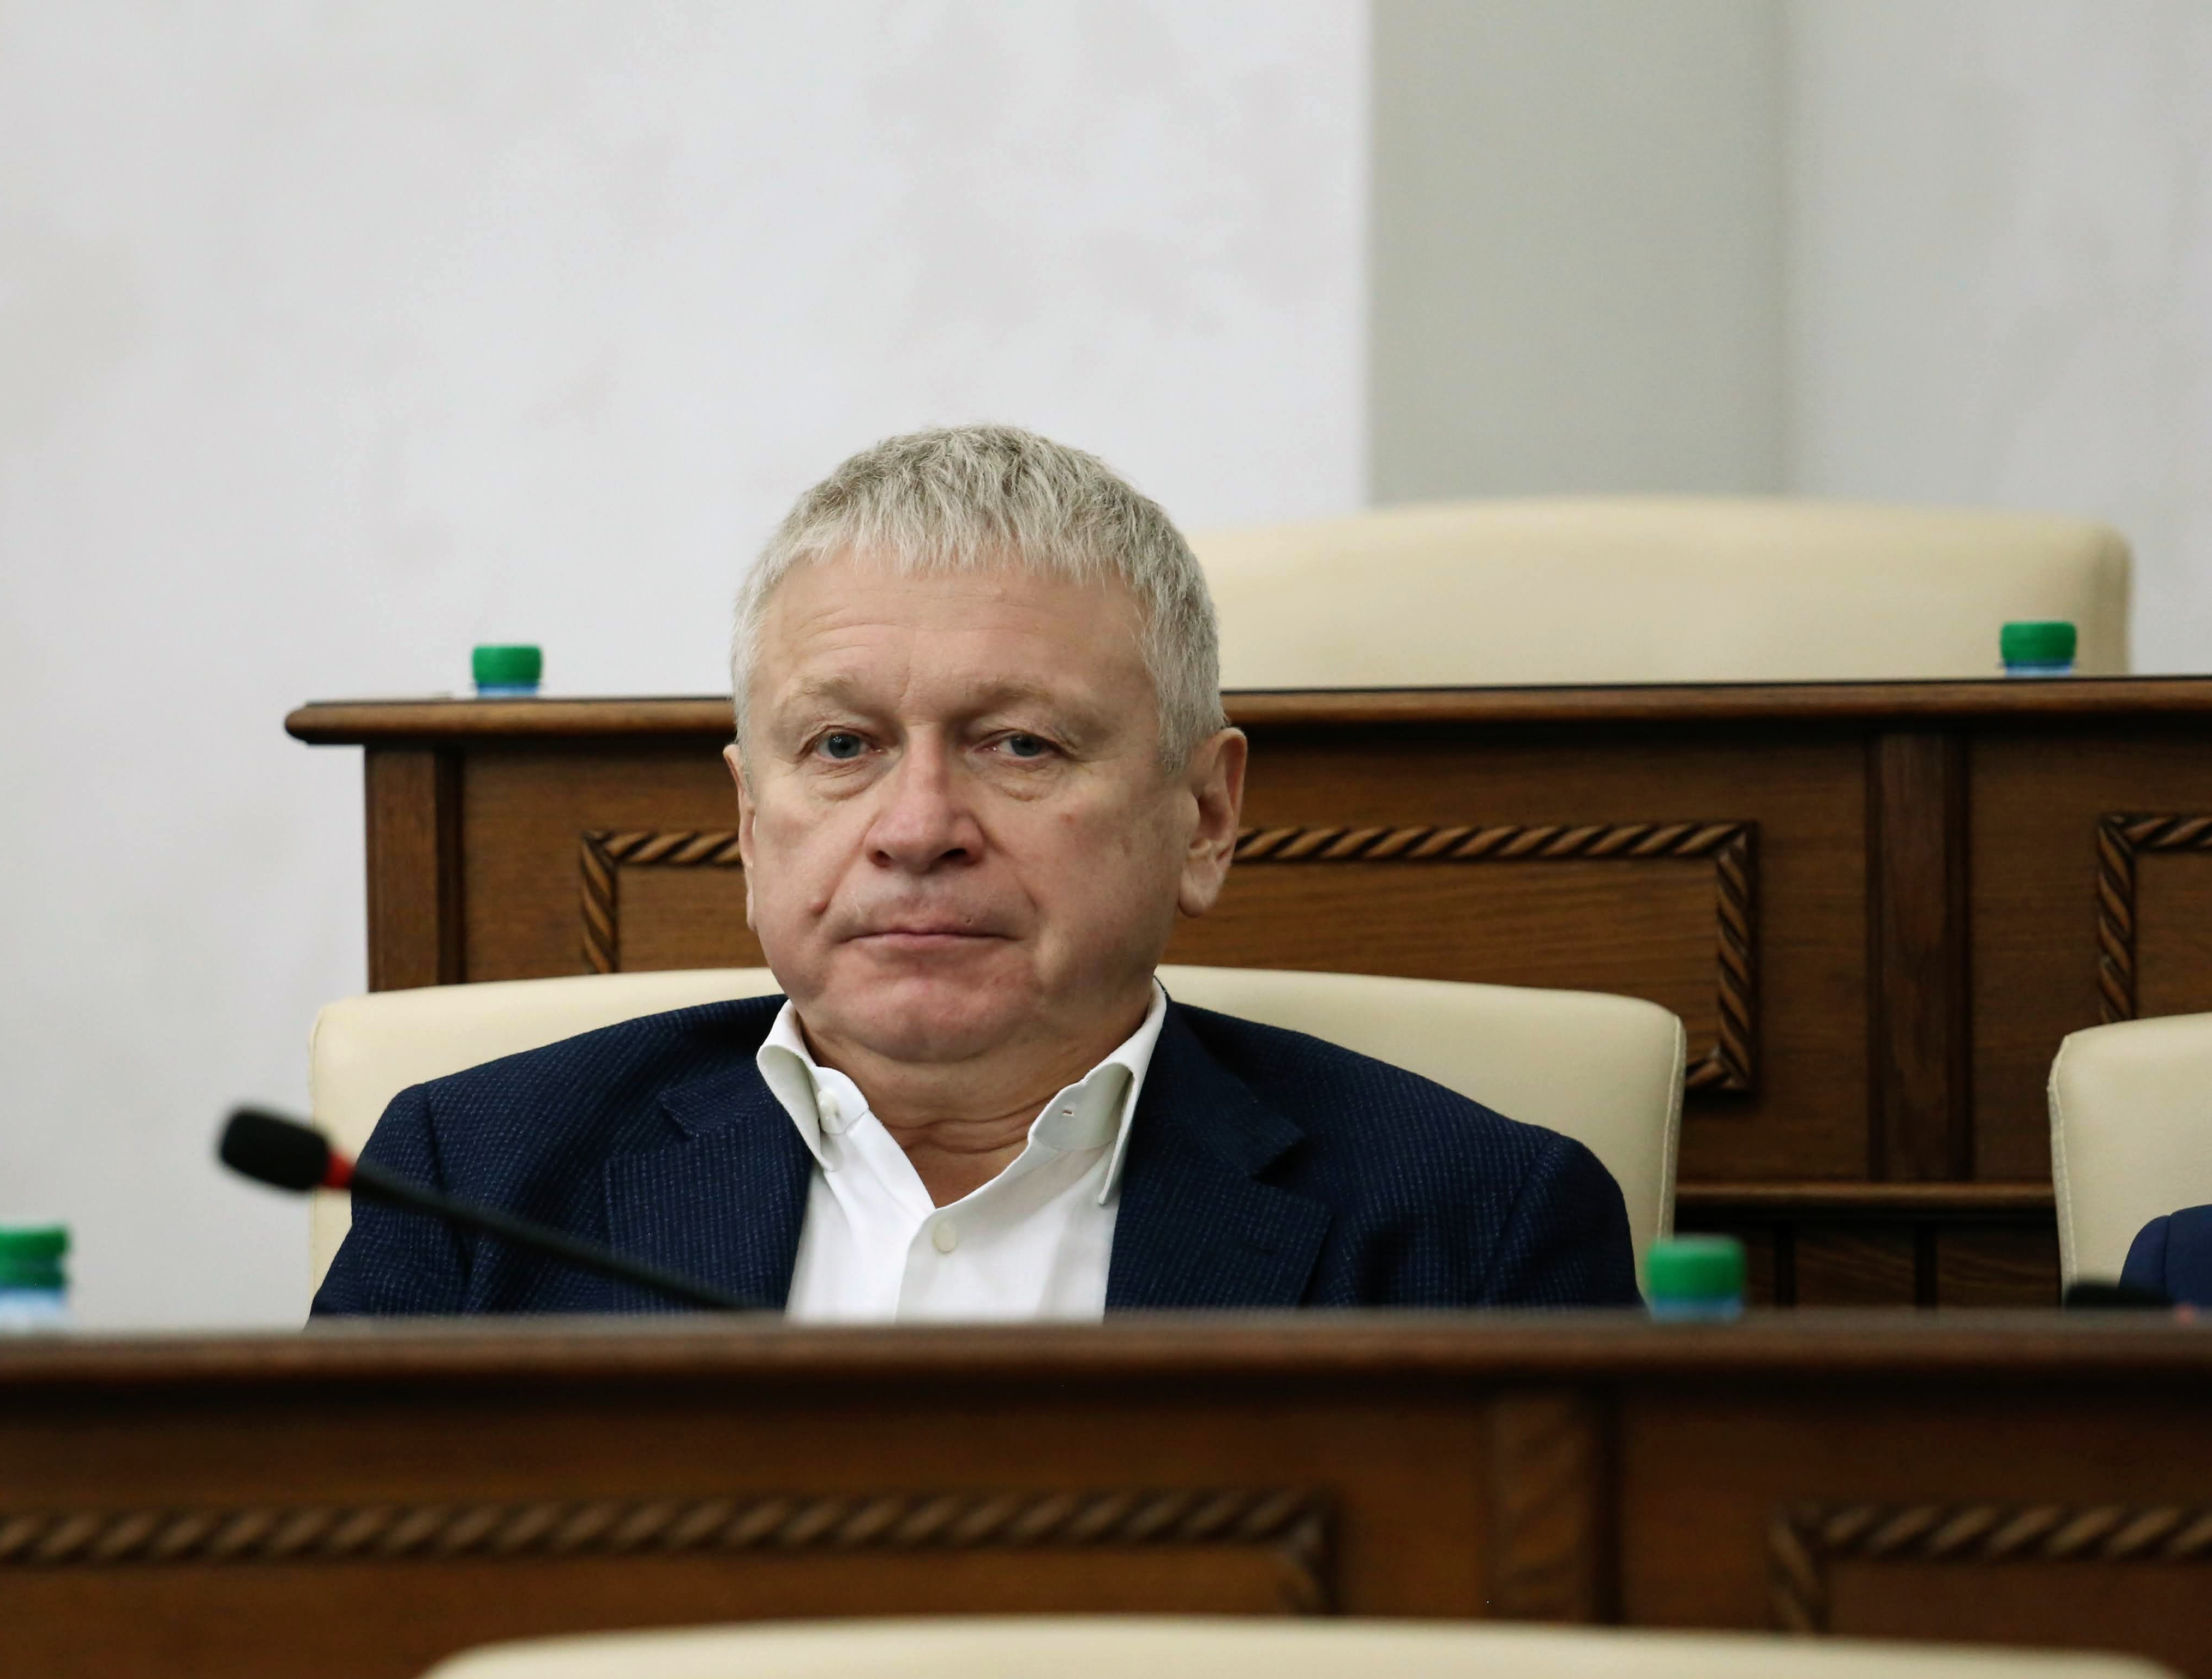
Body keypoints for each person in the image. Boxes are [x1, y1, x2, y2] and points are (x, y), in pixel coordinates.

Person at [313, 425, 1641, 1320]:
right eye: (843, 746)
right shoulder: (474, 1186)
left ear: (1203, 817)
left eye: (1020, 744)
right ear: (750, 821)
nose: (917, 827)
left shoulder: (1474, 1230)